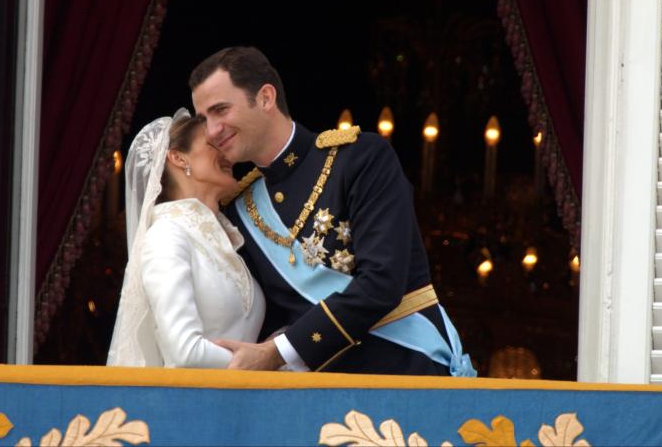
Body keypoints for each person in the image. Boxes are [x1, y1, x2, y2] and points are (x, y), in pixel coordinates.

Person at [190, 46, 475, 376]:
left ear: (266, 98)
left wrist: (276, 352)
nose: (211, 131)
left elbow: (382, 282)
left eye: (221, 110)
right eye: (203, 120)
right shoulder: (240, 211)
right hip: (317, 401)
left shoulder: (361, 159)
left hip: (409, 377)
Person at [107, 108, 265, 368]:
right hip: (191, 403)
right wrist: (266, 363)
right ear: (179, 158)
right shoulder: (166, 236)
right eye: (214, 143)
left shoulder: (226, 241)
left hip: (243, 402)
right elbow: (185, 352)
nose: (227, 152)